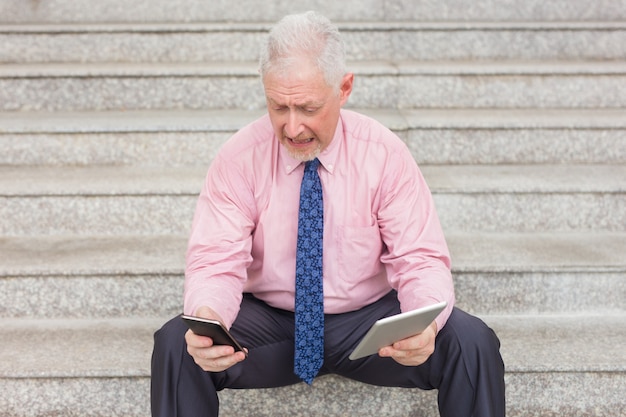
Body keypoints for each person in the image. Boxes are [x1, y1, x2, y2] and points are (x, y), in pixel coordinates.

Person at [151, 11, 505, 417]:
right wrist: (207, 317)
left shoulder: (383, 154)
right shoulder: (238, 159)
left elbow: (419, 258)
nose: (292, 126)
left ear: (345, 88)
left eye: (307, 107)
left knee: (471, 340)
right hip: (273, 325)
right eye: (278, 107)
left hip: (369, 329)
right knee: (177, 343)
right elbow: (215, 261)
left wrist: (424, 326)